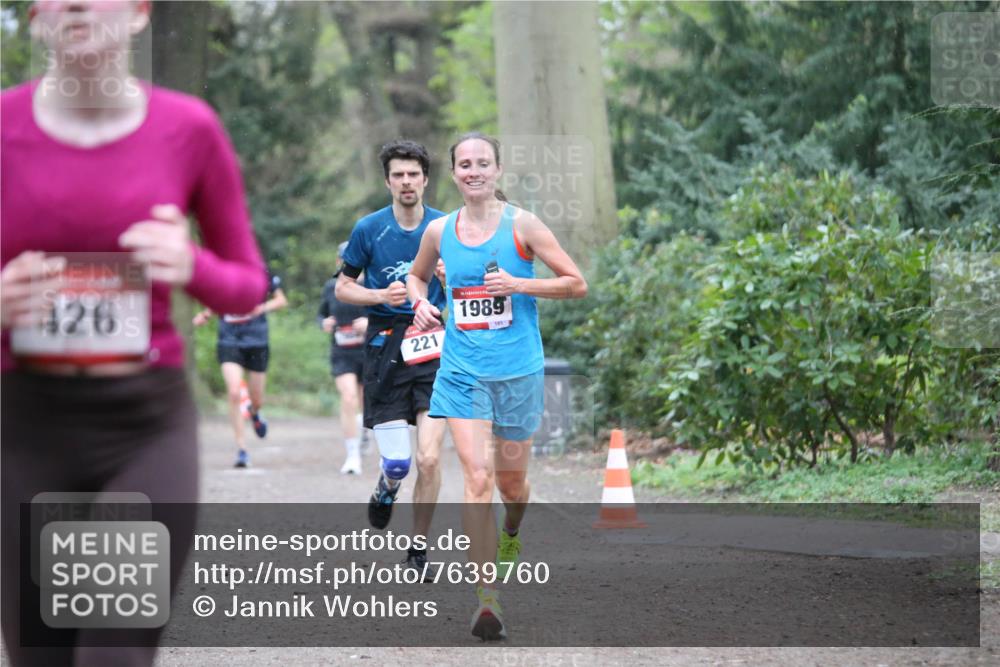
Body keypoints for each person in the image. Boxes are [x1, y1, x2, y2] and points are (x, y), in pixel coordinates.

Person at [0, 1, 267, 665]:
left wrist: (191, 264)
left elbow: (246, 284)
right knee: (43, 656)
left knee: (113, 652)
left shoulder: (188, 128)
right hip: (21, 429)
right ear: (36, 15)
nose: (78, 3)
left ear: (141, 13)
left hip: (141, 427)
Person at [407, 132, 587, 640]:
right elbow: (417, 279)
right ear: (455, 174)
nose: (473, 171)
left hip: (518, 373)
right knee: (477, 476)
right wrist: (420, 302)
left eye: (482, 162)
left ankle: (512, 532)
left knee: (511, 486)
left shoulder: (522, 225)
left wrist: (519, 284)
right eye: (464, 164)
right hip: (463, 372)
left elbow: (576, 282)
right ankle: (487, 598)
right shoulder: (439, 232)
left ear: (497, 171)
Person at [336, 139, 448, 573]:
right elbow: (344, 286)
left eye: (413, 174)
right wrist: (379, 293)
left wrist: (447, 277)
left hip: (434, 341)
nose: (406, 182)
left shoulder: (445, 226)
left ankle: (418, 548)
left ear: (425, 180)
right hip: (385, 341)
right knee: (401, 463)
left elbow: (471, 283)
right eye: (398, 175)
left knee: (430, 457)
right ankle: (387, 484)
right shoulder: (369, 229)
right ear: (388, 181)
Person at [193, 271, 287, 468]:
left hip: (257, 341)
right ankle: (242, 449)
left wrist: (261, 308)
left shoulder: (261, 271)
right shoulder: (223, 270)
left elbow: (281, 300)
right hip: (229, 340)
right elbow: (219, 299)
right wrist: (206, 314)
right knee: (234, 392)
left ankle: (255, 413)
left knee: (257, 399)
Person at [318, 241, 369, 474]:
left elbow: (387, 313)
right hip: (342, 352)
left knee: (364, 401)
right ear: (339, 262)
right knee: (348, 397)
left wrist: (369, 323)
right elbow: (321, 314)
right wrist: (324, 323)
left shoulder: (372, 285)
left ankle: (364, 430)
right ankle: (352, 455)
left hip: (368, 351)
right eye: (345, 260)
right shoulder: (331, 287)